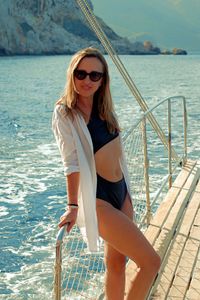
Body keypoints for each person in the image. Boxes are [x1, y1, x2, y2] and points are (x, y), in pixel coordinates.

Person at [52, 47, 161, 300]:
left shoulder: (105, 109)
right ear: (72, 75)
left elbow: (117, 155)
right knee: (151, 262)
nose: (87, 80)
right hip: (97, 198)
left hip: (121, 193)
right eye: (81, 74)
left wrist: (128, 197)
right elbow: (71, 162)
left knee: (116, 264)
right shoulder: (65, 112)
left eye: (95, 75)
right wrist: (72, 205)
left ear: (103, 80)